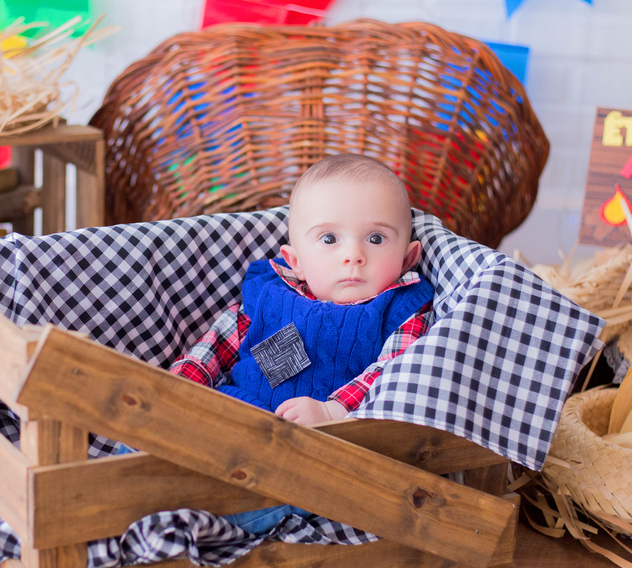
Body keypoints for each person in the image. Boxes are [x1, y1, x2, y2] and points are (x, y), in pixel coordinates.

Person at [170, 153, 434, 425]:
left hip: (329, 439)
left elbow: (396, 372)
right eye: (329, 238)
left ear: (407, 259)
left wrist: (333, 410)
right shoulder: (269, 293)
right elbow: (214, 346)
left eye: (376, 238)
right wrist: (174, 391)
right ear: (295, 262)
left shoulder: (404, 308)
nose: (354, 255)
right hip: (237, 414)